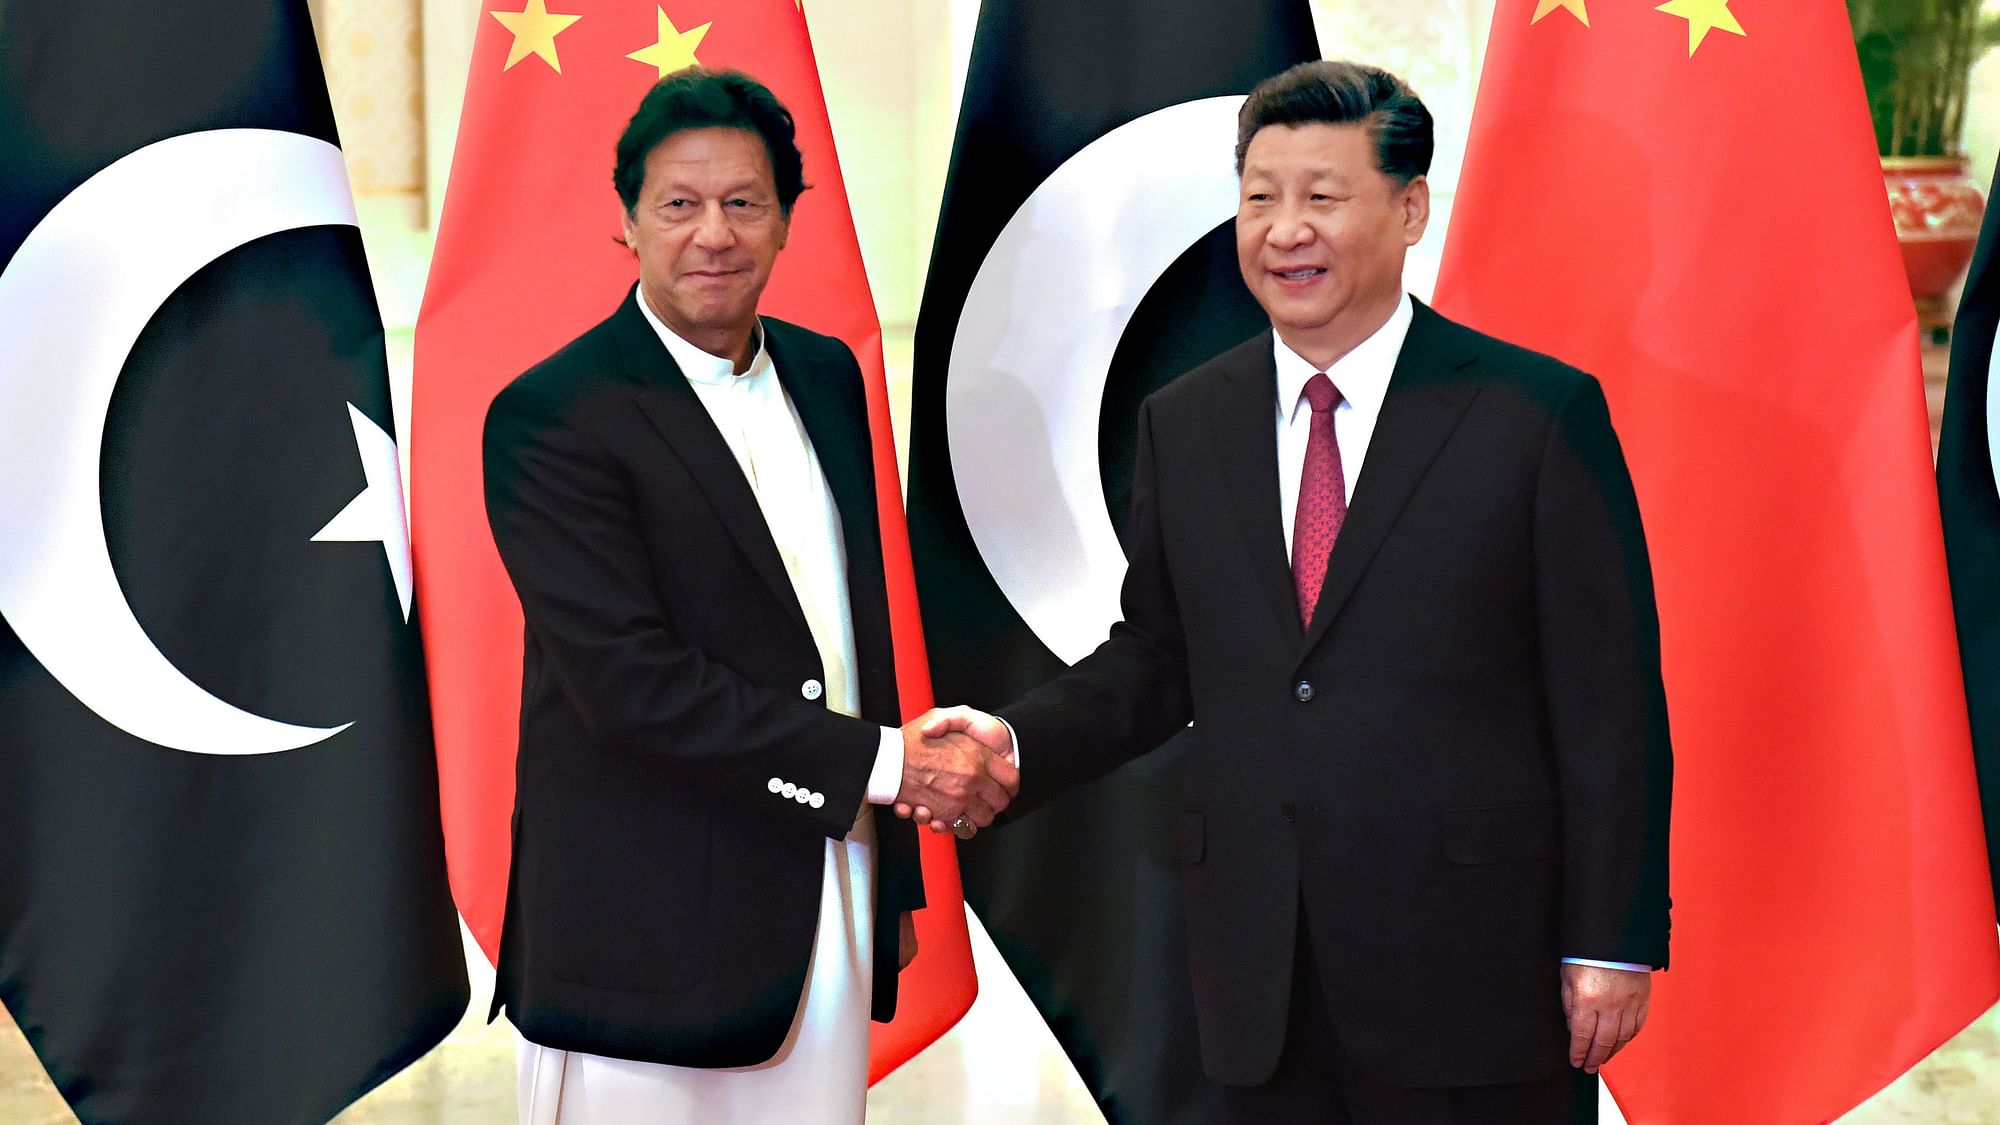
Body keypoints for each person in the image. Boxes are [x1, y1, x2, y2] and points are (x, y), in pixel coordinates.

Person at [918, 60, 1672, 1124]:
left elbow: (1608, 705)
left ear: (1408, 209)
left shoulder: (1531, 415)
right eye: (1259, 197)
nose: (1283, 231)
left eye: (1321, 196)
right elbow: (1156, 657)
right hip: (1256, 973)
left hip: (1472, 968)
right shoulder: (1186, 421)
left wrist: (1610, 937)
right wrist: (1013, 742)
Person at [481, 68, 1016, 1125]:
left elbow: (856, 642)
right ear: (626, 222)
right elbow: (631, 685)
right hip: (641, 932)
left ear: (784, 223)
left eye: (743, 203)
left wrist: (894, 877)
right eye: (678, 206)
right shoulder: (551, 415)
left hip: (826, 900)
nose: (711, 234)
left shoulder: (828, 376)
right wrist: (885, 769)